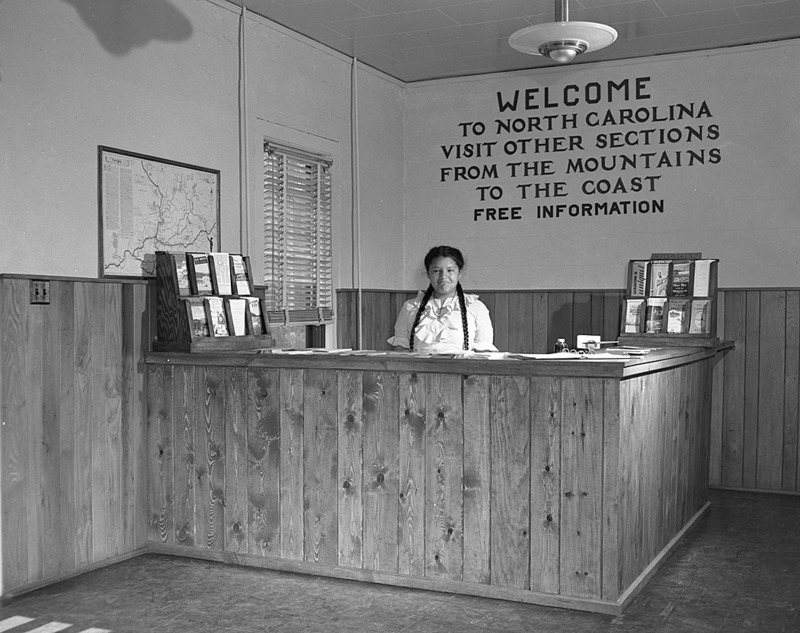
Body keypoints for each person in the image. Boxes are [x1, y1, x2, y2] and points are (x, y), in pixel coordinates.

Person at [388, 245, 498, 353]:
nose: (443, 276)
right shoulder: (410, 307)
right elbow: (400, 348)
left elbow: (484, 352)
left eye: (450, 270)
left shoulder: (476, 308)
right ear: (428, 274)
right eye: (436, 271)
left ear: (459, 273)